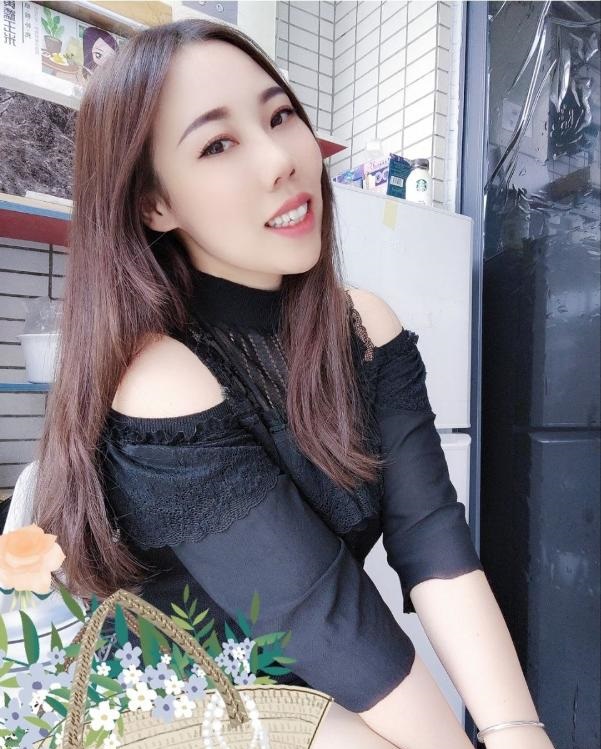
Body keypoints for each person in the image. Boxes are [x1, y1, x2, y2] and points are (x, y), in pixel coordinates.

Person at [31, 18, 555, 749]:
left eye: (279, 116)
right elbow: (320, 613)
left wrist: (516, 729)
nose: (281, 159)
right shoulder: (158, 377)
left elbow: (432, 539)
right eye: (217, 145)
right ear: (154, 203)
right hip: (174, 708)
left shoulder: (363, 325)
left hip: (309, 683)